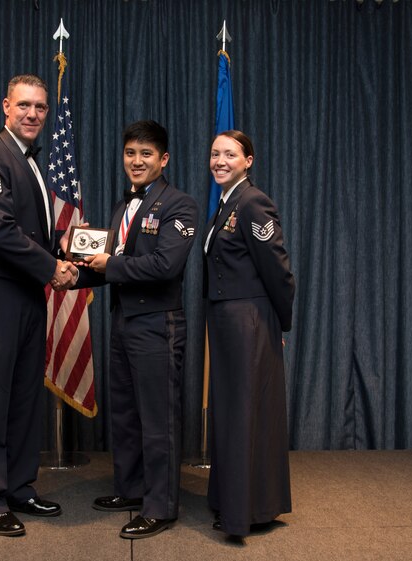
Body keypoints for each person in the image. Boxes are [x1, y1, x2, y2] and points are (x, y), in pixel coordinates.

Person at [0, 74, 77, 537]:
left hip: (28, 293)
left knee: (25, 397)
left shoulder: (32, 162)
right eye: (24, 105)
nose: (32, 114)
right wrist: (52, 266)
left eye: (41, 108)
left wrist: (62, 246)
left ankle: (20, 487)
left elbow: (29, 231)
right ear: (5, 106)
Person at [69, 120, 198, 539]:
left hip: (158, 323)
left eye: (146, 154)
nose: (136, 161)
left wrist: (111, 266)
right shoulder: (123, 207)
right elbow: (107, 264)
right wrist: (72, 275)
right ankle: (130, 489)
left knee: (158, 417)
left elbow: (166, 266)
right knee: (125, 413)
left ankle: (160, 506)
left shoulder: (180, 205)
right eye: (130, 153)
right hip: (124, 321)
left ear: (164, 160)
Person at [203, 130, 295, 538]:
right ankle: (233, 501)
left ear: (248, 160)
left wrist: (279, 322)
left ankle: (244, 513)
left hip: (249, 321)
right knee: (230, 413)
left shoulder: (253, 202)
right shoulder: (226, 203)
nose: (220, 160)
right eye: (214, 154)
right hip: (227, 321)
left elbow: (277, 269)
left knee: (242, 414)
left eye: (229, 154)